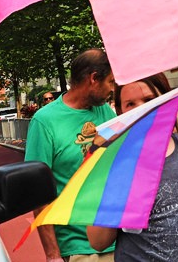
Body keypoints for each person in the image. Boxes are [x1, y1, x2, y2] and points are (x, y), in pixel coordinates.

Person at [87, 75, 178, 262]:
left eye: (149, 100)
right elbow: (98, 241)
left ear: (167, 99)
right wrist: (120, 193)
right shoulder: (113, 162)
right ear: (120, 111)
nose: (142, 109)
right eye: (130, 104)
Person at [26, 49, 117, 262]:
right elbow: (37, 192)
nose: (112, 89)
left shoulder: (105, 112)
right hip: (78, 249)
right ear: (94, 79)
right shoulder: (45, 121)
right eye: (110, 82)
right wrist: (52, 254)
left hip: (117, 239)